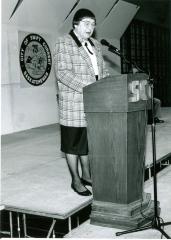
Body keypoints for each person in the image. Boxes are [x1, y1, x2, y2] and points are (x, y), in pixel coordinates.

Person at [54, 9, 109, 196]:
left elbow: (103, 70)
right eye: (86, 23)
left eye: (93, 24)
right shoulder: (64, 42)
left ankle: (87, 175)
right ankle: (76, 180)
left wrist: (107, 84)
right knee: (72, 143)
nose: (90, 28)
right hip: (74, 102)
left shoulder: (95, 44)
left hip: (93, 102)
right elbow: (62, 73)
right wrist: (89, 88)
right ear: (75, 24)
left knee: (87, 142)